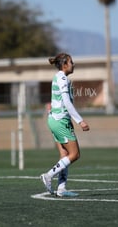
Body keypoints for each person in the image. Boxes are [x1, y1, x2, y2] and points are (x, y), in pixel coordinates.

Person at [40, 53, 90, 197]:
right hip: (60, 120)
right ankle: (48, 175)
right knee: (74, 154)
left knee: (64, 155)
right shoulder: (62, 78)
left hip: (55, 119)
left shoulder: (59, 77)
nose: (73, 64)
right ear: (64, 65)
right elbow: (66, 102)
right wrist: (80, 120)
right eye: (71, 62)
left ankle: (61, 189)